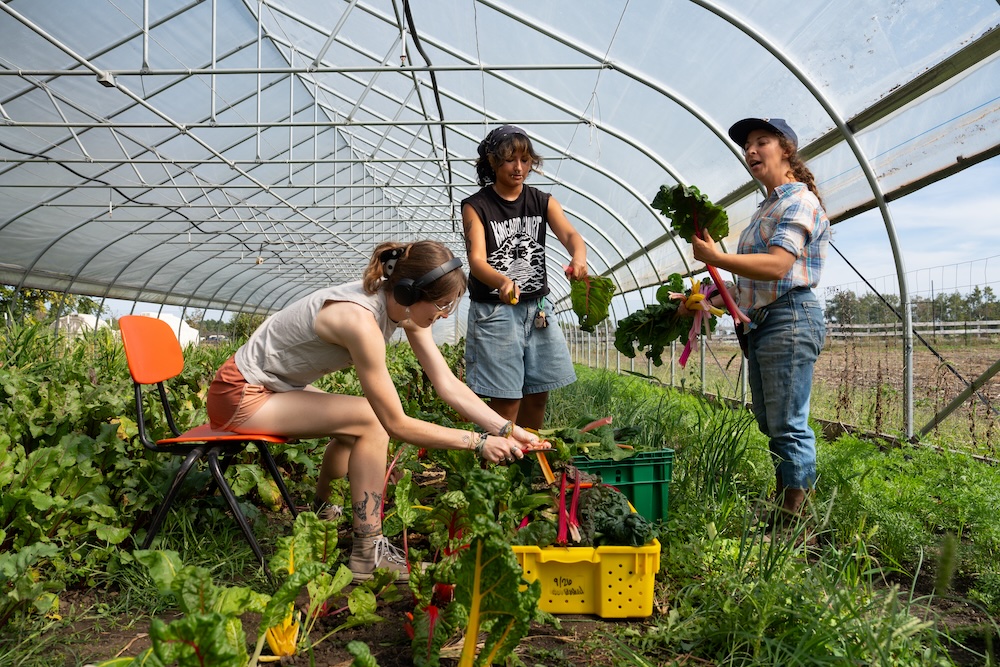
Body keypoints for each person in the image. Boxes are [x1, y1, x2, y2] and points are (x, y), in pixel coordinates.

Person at [206, 240, 543, 583]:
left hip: (276, 387)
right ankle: (368, 554)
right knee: (371, 420)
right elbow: (394, 423)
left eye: (451, 306)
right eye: (442, 305)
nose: (444, 315)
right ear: (412, 293)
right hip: (240, 394)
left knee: (358, 423)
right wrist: (477, 441)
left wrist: (507, 429)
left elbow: (447, 384)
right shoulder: (360, 321)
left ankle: (322, 513)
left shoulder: (401, 310)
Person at [690, 117, 829, 525]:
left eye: (761, 141)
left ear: (785, 149)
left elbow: (778, 264)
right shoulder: (765, 208)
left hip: (790, 317)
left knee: (788, 423)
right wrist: (707, 295)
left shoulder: (798, 201)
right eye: (747, 145)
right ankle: (787, 500)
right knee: (771, 421)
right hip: (764, 321)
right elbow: (752, 279)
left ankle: (797, 519)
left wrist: (717, 258)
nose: (750, 150)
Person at [461, 124, 589, 430]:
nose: (519, 168)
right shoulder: (476, 206)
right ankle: (497, 466)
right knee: (506, 399)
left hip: (538, 309)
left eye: (525, 159)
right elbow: (477, 260)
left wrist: (579, 257)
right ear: (492, 162)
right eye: (509, 159)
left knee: (538, 393)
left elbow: (571, 234)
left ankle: (527, 462)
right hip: (495, 311)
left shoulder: (543, 201)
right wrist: (503, 281)